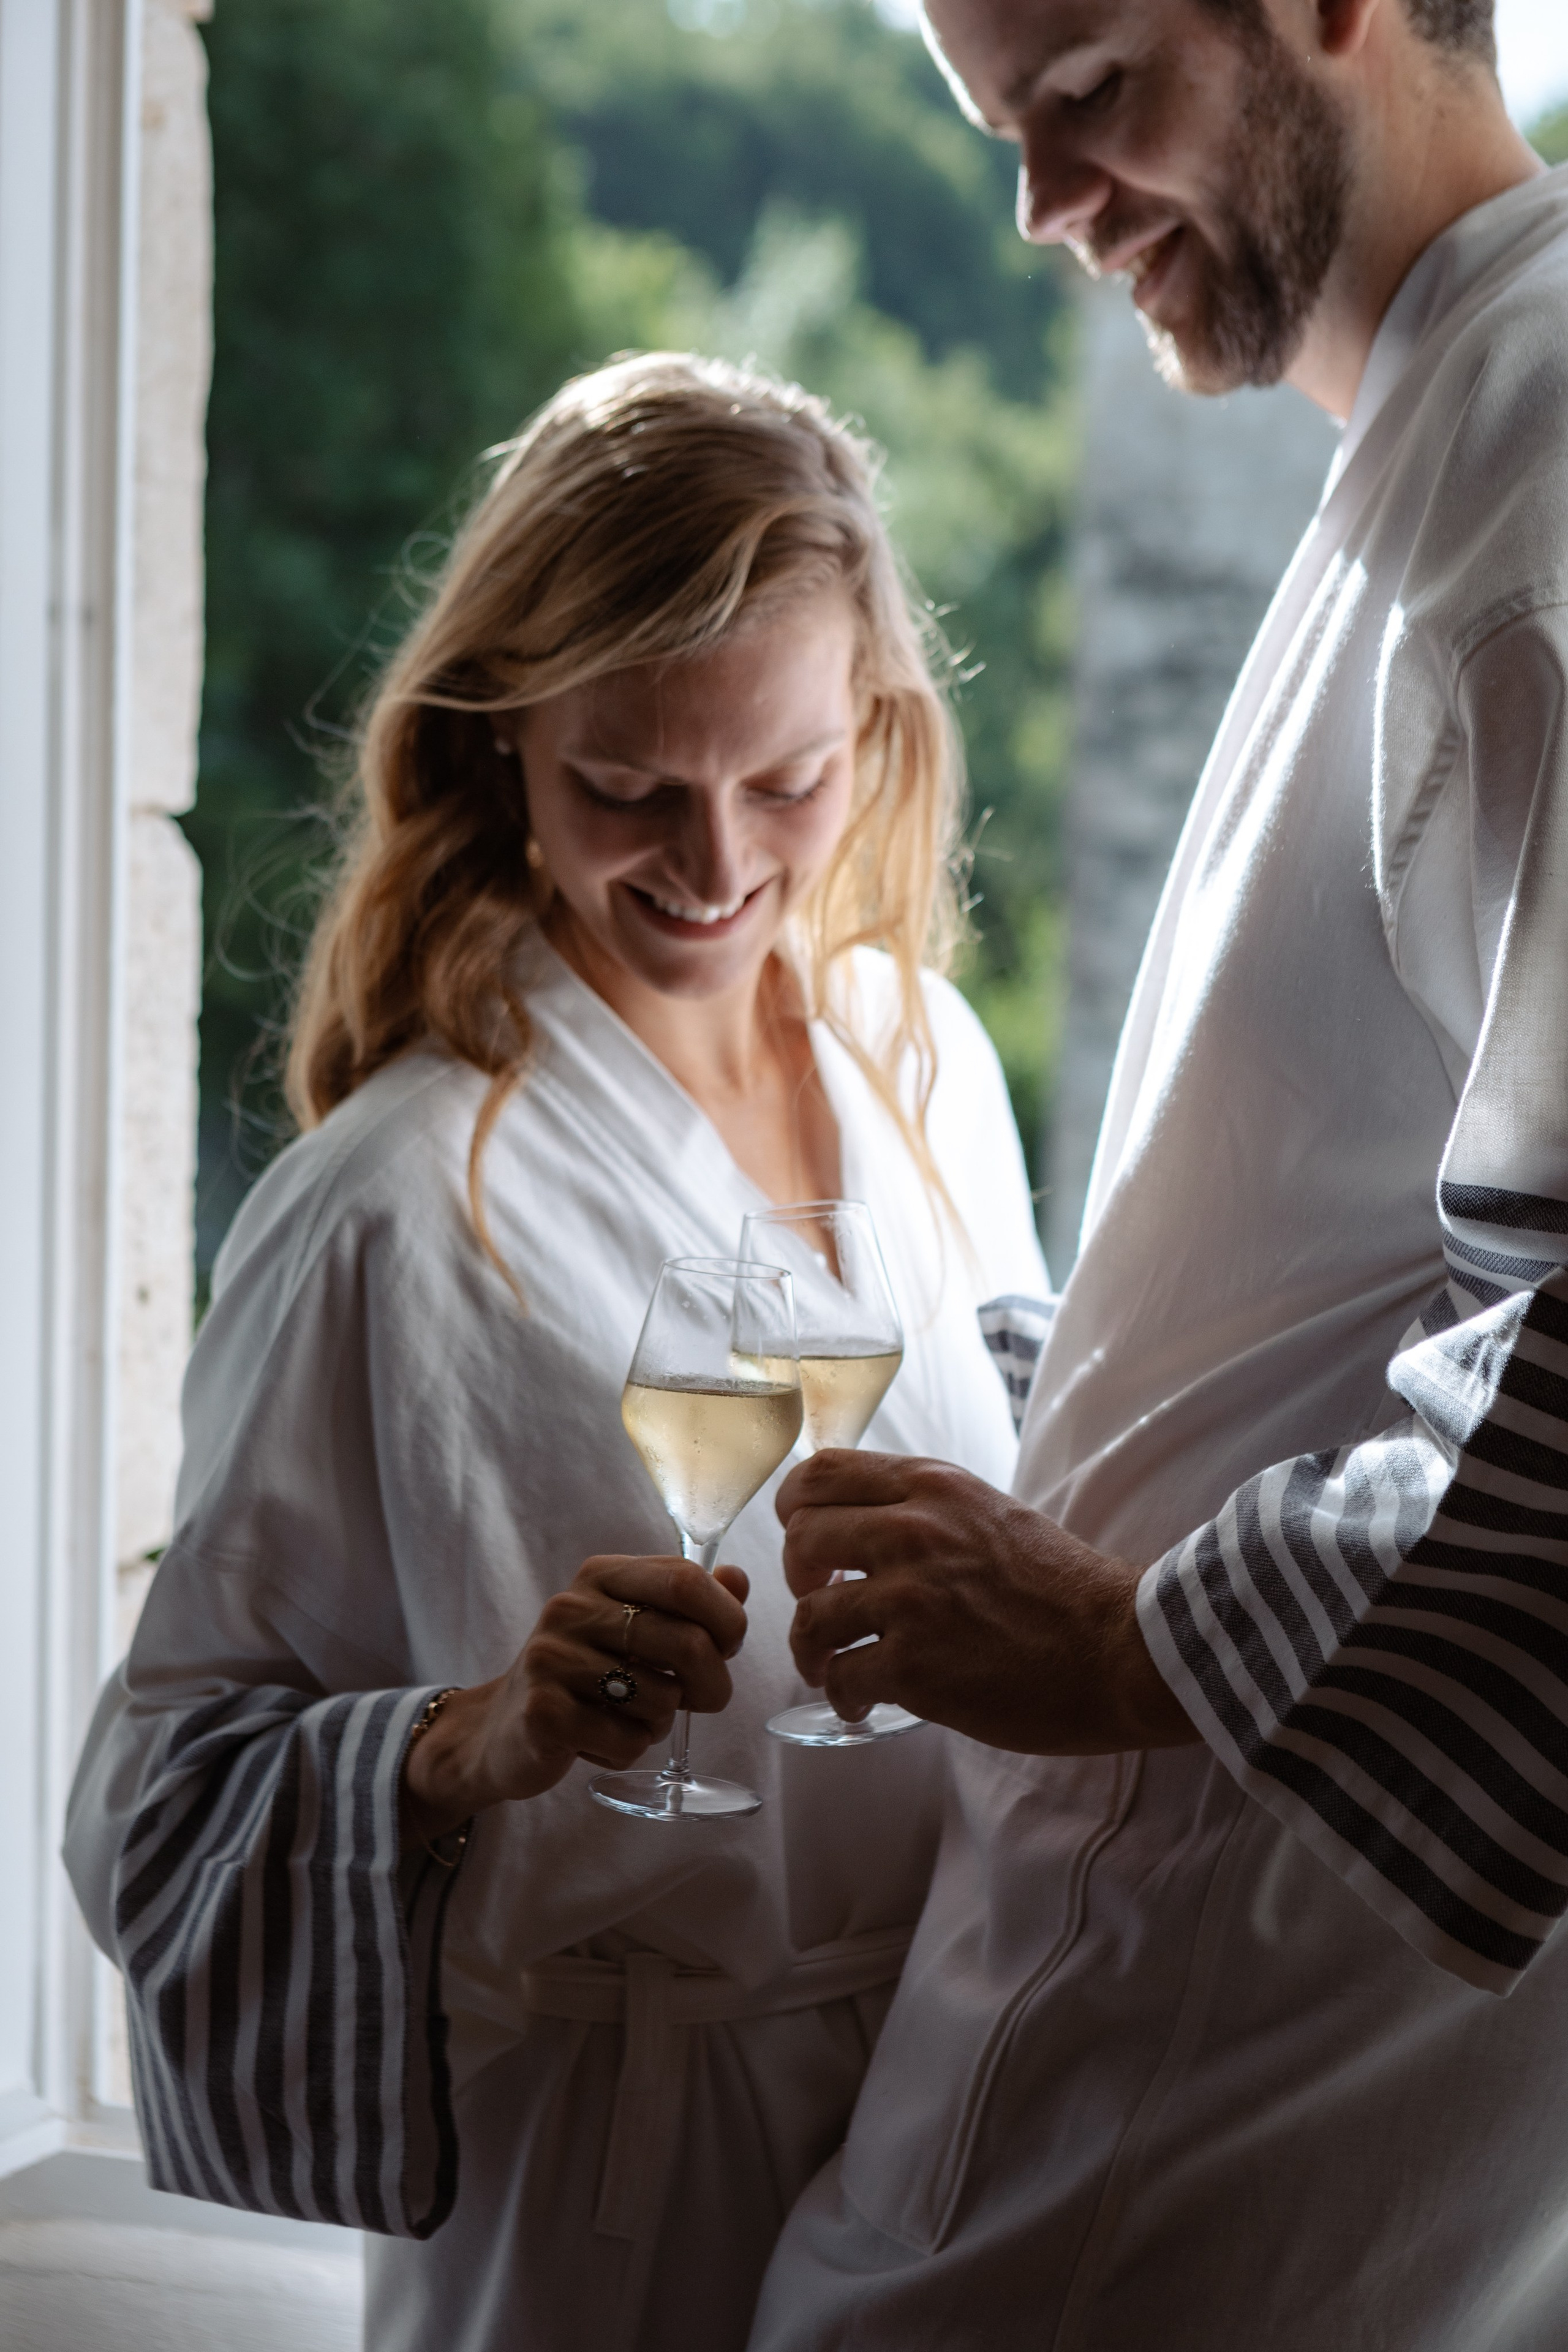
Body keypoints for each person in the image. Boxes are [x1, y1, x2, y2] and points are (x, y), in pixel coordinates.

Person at [62, 353, 1049, 2352]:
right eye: (628, 786)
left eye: (786, 778)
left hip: (959, 2124)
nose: (713, 864)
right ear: (502, 741)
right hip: (616, 2198)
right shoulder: (398, 1198)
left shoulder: (924, 1068)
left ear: (872, 717)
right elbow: (152, 1812)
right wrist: (481, 1738)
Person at [747, 4, 1568, 2348]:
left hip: (1227, 2100)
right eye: (1002, 133)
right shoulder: (1420, 451)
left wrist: (1117, 1643)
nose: (1040, 206)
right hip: (1128, 2013)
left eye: (1089, 93)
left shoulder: (1533, 504)